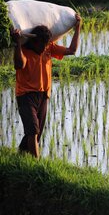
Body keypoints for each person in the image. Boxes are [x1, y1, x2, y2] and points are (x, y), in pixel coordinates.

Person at [12, 13, 82, 158]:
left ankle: (20, 156)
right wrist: (17, 43)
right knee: (33, 131)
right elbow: (19, 64)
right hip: (26, 95)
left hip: (44, 95)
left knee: (36, 133)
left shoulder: (48, 47)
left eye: (46, 44)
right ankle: (37, 165)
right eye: (41, 44)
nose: (44, 48)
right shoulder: (24, 51)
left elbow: (72, 50)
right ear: (34, 42)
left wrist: (78, 28)